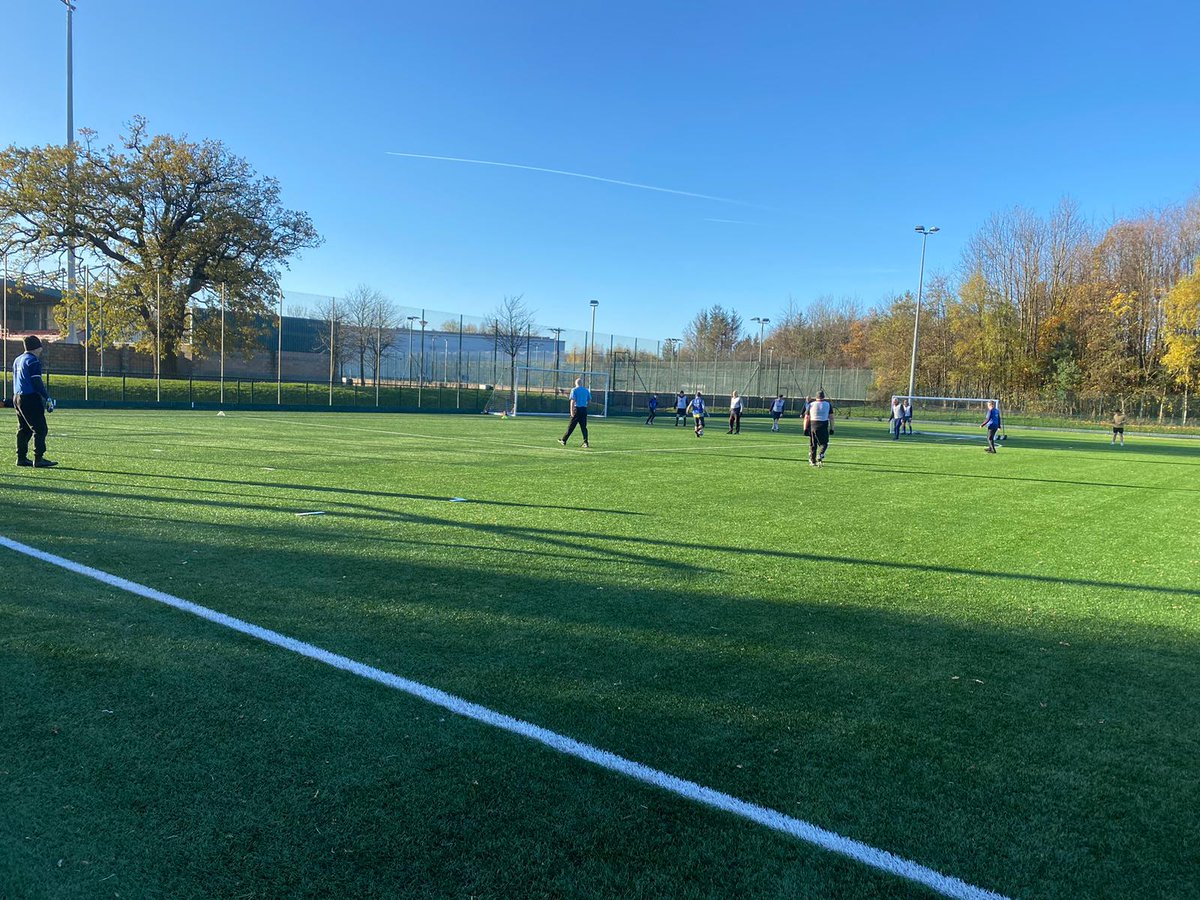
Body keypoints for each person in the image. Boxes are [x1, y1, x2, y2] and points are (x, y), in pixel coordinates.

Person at [13, 335, 56, 468]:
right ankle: (38, 459)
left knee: (24, 428)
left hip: (17, 397)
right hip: (30, 397)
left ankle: (21, 458)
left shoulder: (18, 360)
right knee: (40, 428)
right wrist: (46, 396)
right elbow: (36, 381)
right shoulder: (33, 361)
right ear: (37, 347)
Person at [557, 377, 591, 448]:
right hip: (584, 410)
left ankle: (564, 440)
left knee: (571, 426)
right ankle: (586, 442)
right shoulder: (586, 390)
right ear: (581, 384)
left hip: (577, 410)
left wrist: (571, 411)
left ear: (576, 383)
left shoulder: (574, 390)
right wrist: (585, 406)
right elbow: (589, 400)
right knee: (584, 427)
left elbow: (572, 401)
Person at [805, 390, 834, 467]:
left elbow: (807, 417)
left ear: (816, 397)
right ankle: (820, 454)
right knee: (824, 443)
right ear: (824, 397)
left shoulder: (811, 404)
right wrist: (832, 428)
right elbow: (831, 417)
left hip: (813, 425)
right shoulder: (828, 404)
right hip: (823, 425)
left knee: (813, 444)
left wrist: (805, 428)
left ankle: (812, 460)